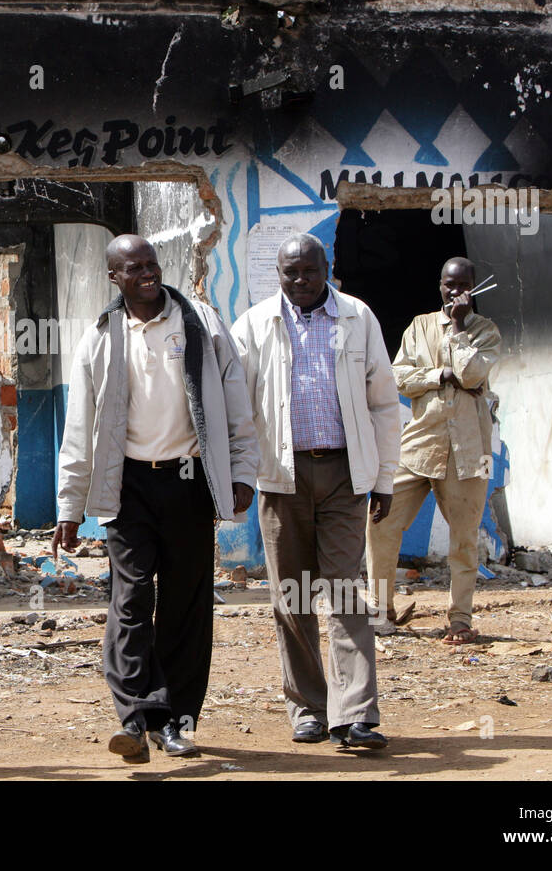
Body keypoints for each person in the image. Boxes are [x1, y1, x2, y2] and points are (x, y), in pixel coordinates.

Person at [53, 234, 259, 763]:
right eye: (133, 267)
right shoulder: (101, 337)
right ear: (114, 277)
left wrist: (242, 470)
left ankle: (176, 721)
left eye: (151, 264)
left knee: (186, 604)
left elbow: (236, 401)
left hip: (190, 481)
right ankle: (136, 717)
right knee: (132, 598)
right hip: (127, 486)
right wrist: (69, 506)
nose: (147, 273)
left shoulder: (202, 324)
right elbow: (80, 426)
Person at [231, 233, 399, 750]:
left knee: (346, 591)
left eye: (309, 270)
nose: (301, 281)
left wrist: (385, 477)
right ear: (278, 275)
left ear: (326, 267)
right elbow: (236, 405)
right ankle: (308, 708)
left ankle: (357, 715)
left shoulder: (357, 318)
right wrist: (239, 473)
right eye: (290, 273)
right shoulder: (257, 324)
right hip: (282, 479)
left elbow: (384, 404)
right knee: (291, 597)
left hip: (346, 477)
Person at [365, 257, 501, 645]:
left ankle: (460, 619)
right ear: (439, 285)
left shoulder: (486, 331)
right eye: (447, 285)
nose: (453, 292)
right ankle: (381, 610)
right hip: (420, 445)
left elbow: (474, 374)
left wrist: (458, 329)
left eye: (461, 285)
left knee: (464, 539)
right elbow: (399, 377)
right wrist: (439, 375)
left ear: (473, 287)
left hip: (469, 451)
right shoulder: (420, 327)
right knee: (381, 522)